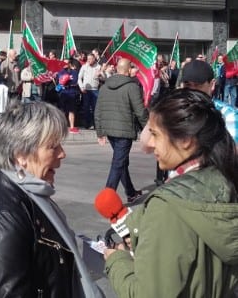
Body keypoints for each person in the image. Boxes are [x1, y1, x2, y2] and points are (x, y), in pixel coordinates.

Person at [104, 88, 238, 298]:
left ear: (186, 140)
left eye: (155, 134)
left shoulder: (168, 206)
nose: (149, 143)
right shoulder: (225, 178)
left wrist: (116, 260)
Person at [0, 102, 104, 298]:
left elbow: (57, 250)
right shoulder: (3, 217)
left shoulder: (32, 194)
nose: (62, 154)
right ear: (21, 155)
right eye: (53, 146)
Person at [94, 58, 148, 203]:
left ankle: (130, 192)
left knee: (121, 161)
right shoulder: (132, 87)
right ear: (128, 70)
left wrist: (100, 132)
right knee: (118, 163)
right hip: (124, 130)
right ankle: (107, 196)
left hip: (110, 130)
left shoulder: (104, 86)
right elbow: (140, 111)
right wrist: (148, 129)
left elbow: (98, 110)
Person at [78, 53, 103, 129]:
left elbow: (103, 79)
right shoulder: (84, 67)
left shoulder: (99, 67)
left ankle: (96, 124)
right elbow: (79, 78)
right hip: (86, 90)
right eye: (88, 59)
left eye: (91, 59)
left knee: (95, 108)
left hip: (95, 90)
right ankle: (87, 124)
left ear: (94, 59)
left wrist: (100, 75)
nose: (89, 60)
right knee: (86, 108)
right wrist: (81, 87)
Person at [57, 59, 80, 134]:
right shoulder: (61, 71)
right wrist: (63, 79)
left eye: (67, 63)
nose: (65, 64)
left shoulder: (74, 72)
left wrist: (67, 79)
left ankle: (72, 127)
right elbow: (59, 81)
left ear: (70, 64)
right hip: (63, 93)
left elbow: (75, 81)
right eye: (64, 63)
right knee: (62, 110)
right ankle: (61, 127)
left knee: (71, 110)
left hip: (72, 92)